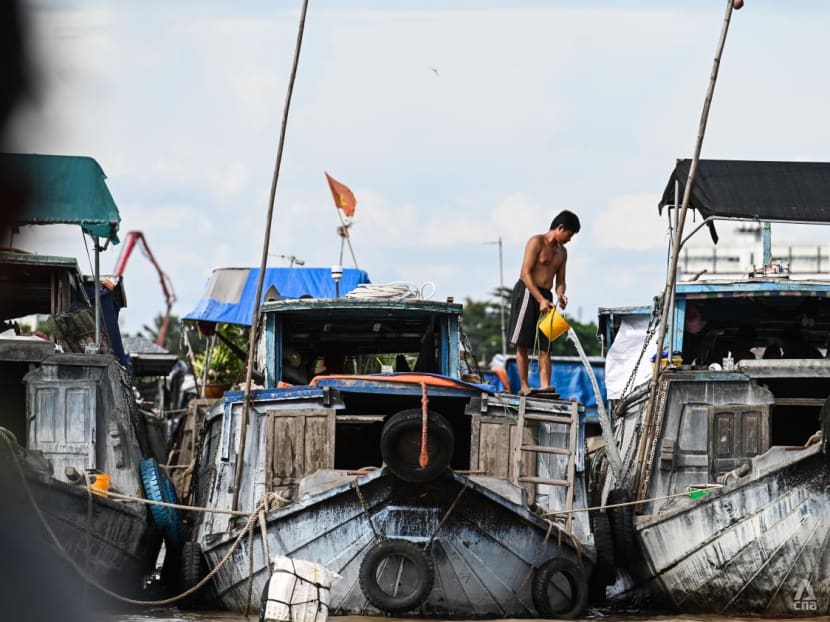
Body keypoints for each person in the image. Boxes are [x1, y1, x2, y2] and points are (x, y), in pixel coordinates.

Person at [507, 210, 580, 395]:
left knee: (546, 344)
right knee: (522, 343)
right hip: (527, 292)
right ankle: (524, 386)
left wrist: (561, 294)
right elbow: (525, 273)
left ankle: (545, 385)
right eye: (569, 235)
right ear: (560, 228)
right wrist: (539, 299)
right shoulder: (536, 242)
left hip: (546, 296)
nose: (569, 239)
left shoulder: (562, 252)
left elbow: (560, 281)